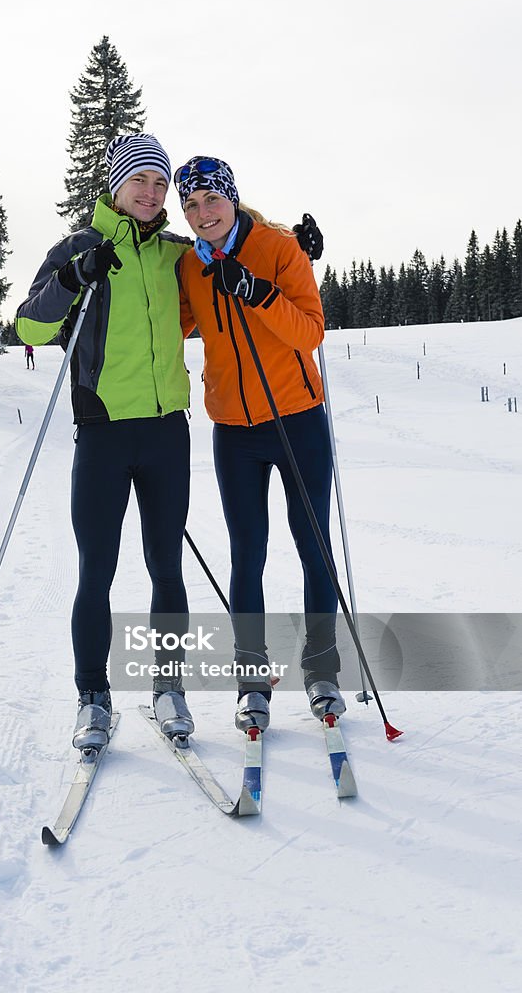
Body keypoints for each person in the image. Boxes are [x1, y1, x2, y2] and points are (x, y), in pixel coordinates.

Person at [15, 134, 195, 753]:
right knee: (98, 569)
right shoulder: (79, 246)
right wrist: (72, 277)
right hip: (102, 432)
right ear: (115, 185)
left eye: (159, 183)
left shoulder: (177, 252)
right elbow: (28, 325)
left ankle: (168, 686)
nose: (150, 193)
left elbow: (231, 247)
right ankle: (93, 694)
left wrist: (288, 250)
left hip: (168, 431)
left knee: (166, 566)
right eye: (139, 180)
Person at [174, 155, 345, 734]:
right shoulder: (190, 269)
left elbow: (310, 331)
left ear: (231, 196)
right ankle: (252, 680)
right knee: (248, 554)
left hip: (297, 419)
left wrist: (255, 290)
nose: (202, 214)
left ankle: (322, 669)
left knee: (314, 546)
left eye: (211, 200)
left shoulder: (277, 248)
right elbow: (164, 325)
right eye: (191, 205)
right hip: (234, 430)